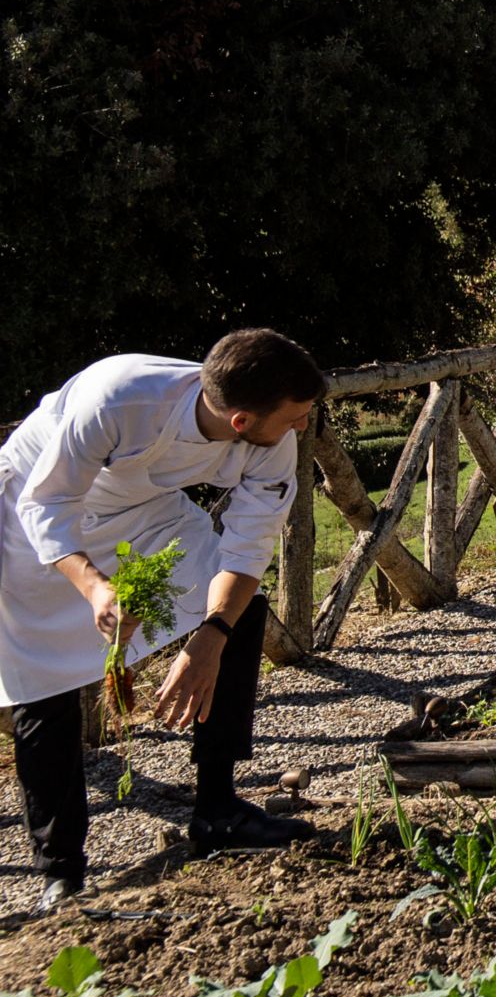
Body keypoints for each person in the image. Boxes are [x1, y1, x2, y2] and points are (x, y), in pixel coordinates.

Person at [1, 330, 327, 912]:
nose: (305, 425)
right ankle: (62, 873)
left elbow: (247, 552)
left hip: (143, 510)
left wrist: (211, 638)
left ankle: (218, 810)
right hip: (30, 511)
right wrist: (95, 586)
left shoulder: (272, 439)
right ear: (241, 421)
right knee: (41, 684)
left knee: (241, 608)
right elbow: (46, 504)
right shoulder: (117, 398)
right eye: (298, 416)